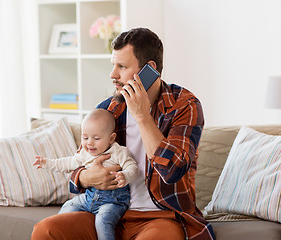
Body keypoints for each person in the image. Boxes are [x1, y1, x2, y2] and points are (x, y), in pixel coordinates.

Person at [31, 28, 215, 240]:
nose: (113, 75)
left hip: (162, 217)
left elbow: (172, 171)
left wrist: (142, 116)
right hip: (105, 210)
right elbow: (79, 164)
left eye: (122, 66)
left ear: (149, 70)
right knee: (45, 230)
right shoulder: (107, 109)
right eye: (113, 65)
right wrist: (84, 177)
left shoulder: (184, 106)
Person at [33, 109, 138, 240]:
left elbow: (132, 167)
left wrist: (126, 176)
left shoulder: (119, 152)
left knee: (102, 221)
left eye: (96, 138)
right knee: (68, 205)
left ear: (111, 138)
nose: (89, 143)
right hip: (89, 198)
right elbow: (68, 163)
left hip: (113, 201)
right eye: (85, 137)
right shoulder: (85, 153)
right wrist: (46, 163)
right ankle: (60, 229)